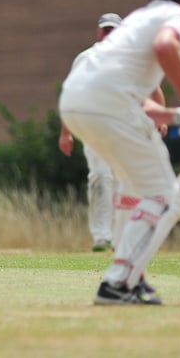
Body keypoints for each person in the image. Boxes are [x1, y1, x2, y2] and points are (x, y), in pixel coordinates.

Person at [58, 0, 180, 305]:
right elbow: (166, 46)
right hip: (108, 106)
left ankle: (132, 280)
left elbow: (137, 102)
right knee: (165, 195)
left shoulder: (138, 19)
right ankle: (118, 282)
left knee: (134, 191)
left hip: (75, 102)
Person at [58, 13, 122, 252]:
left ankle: (119, 235)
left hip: (122, 125)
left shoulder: (129, 59)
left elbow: (151, 89)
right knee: (100, 177)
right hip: (93, 124)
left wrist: (158, 118)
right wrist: (66, 132)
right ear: (99, 32)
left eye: (114, 30)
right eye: (106, 30)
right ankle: (101, 237)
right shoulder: (86, 59)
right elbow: (69, 93)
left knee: (123, 178)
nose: (109, 35)